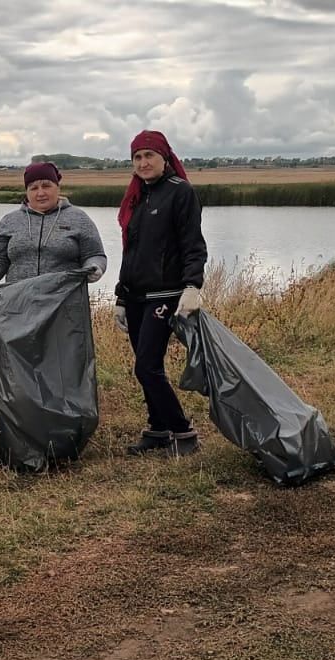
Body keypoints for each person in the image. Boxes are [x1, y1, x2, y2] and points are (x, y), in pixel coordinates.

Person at [114, 130, 208, 457]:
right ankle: (157, 428)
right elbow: (131, 252)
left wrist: (192, 285)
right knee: (145, 364)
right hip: (137, 295)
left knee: (147, 367)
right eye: (137, 157)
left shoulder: (180, 193)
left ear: (164, 158)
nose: (143, 162)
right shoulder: (137, 197)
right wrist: (121, 297)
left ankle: (183, 432)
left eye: (149, 156)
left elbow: (193, 245)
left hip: (165, 294)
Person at [0, 161, 108, 295]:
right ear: (27, 192)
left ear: (58, 187)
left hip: (65, 306)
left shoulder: (78, 218)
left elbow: (95, 254)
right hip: (17, 306)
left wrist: (95, 267)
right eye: (33, 188)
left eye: (46, 186)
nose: (40, 193)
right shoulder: (9, 221)